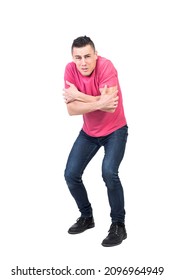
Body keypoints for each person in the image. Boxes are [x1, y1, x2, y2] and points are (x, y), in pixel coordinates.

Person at [63, 36, 128, 247]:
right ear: (73, 57)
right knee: (71, 174)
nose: (83, 62)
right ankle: (87, 217)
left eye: (87, 56)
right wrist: (99, 100)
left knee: (109, 172)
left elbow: (111, 106)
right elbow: (71, 110)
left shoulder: (106, 66)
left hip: (115, 131)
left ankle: (118, 225)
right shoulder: (70, 70)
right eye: (78, 57)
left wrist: (78, 95)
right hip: (89, 132)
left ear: (96, 54)